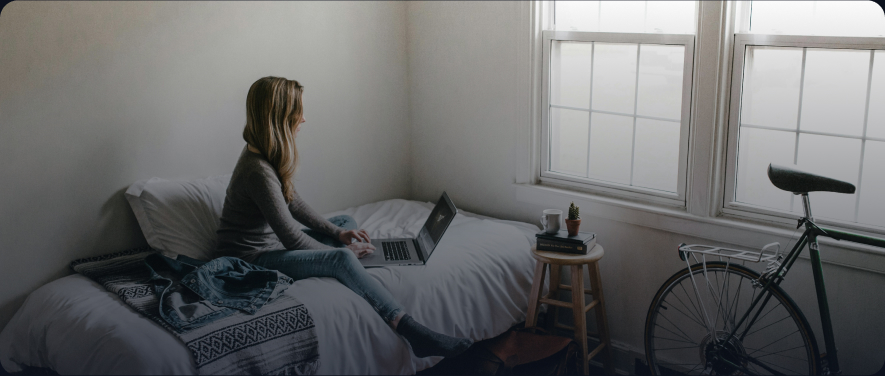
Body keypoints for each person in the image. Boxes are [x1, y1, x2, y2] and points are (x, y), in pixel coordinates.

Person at [215, 76, 472, 358]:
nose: (304, 118)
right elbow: (291, 237)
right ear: (279, 117)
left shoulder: (265, 154)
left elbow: (294, 203)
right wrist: (341, 253)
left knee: (344, 224)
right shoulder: (258, 172)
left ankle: (345, 256)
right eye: (298, 111)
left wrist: (338, 234)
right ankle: (410, 329)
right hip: (250, 260)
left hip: (270, 245)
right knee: (341, 258)